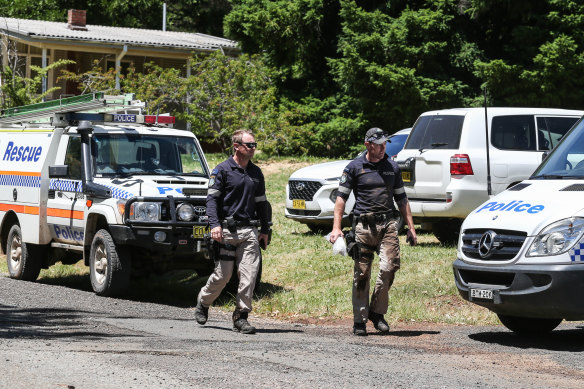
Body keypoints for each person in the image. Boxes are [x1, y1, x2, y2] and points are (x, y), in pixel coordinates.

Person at [329, 127, 417, 336]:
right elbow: (341, 199)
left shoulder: (392, 167)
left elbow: (402, 199)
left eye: (384, 144)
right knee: (362, 274)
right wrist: (336, 228)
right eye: (378, 144)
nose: (382, 148)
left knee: (390, 267)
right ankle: (359, 320)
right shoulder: (354, 167)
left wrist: (411, 227)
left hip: (387, 225)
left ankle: (377, 313)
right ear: (367, 144)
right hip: (362, 227)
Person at [195, 130, 271, 334]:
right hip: (227, 231)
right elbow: (211, 201)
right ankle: (203, 301)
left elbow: (262, 203)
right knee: (223, 276)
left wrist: (265, 229)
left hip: (249, 232)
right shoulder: (221, 171)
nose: (253, 148)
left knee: (249, 276)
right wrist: (215, 226)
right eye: (249, 145)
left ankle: (241, 316)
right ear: (236, 146)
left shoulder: (256, 172)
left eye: (254, 145)